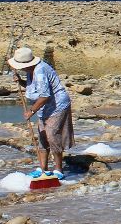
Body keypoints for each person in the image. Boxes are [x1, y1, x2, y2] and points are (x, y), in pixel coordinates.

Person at [7, 46, 73, 179]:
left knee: (52, 135)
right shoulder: (31, 70)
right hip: (44, 106)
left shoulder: (40, 71)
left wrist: (31, 111)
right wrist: (20, 81)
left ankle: (58, 170)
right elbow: (35, 87)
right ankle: (43, 168)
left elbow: (45, 95)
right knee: (42, 136)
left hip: (56, 105)